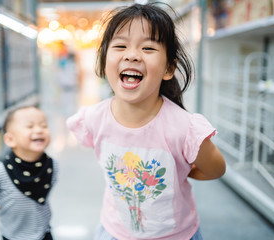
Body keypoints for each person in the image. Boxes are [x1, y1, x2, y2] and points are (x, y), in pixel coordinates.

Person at [67, 3, 225, 240]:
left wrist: (182, 170)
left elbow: (215, 168)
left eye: (148, 47)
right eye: (120, 45)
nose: (131, 54)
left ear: (168, 68)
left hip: (176, 235)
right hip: (114, 232)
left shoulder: (185, 128)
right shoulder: (92, 119)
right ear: (103, 62)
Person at [0, 105, 57, 240]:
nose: (39, 130)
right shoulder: (0, 171)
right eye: (29, 126)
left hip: (44, 232)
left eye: (43, 126)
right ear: (10, 140)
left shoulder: (52, 165)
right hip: (13, 236)